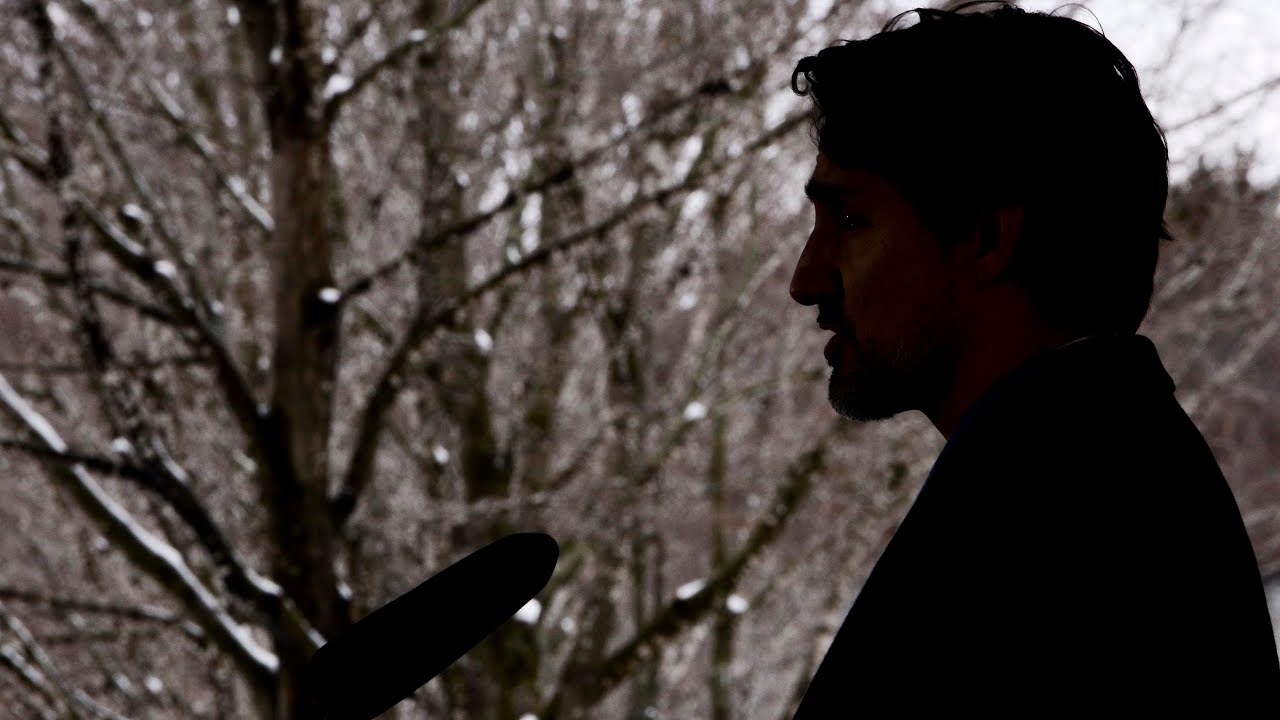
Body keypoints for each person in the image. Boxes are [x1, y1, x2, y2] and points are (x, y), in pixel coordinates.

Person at [786, 2, 1279, 714]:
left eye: (851, 220)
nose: (806, 279)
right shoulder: (1098, 477)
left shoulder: (1059, 525)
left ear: (988, 239)